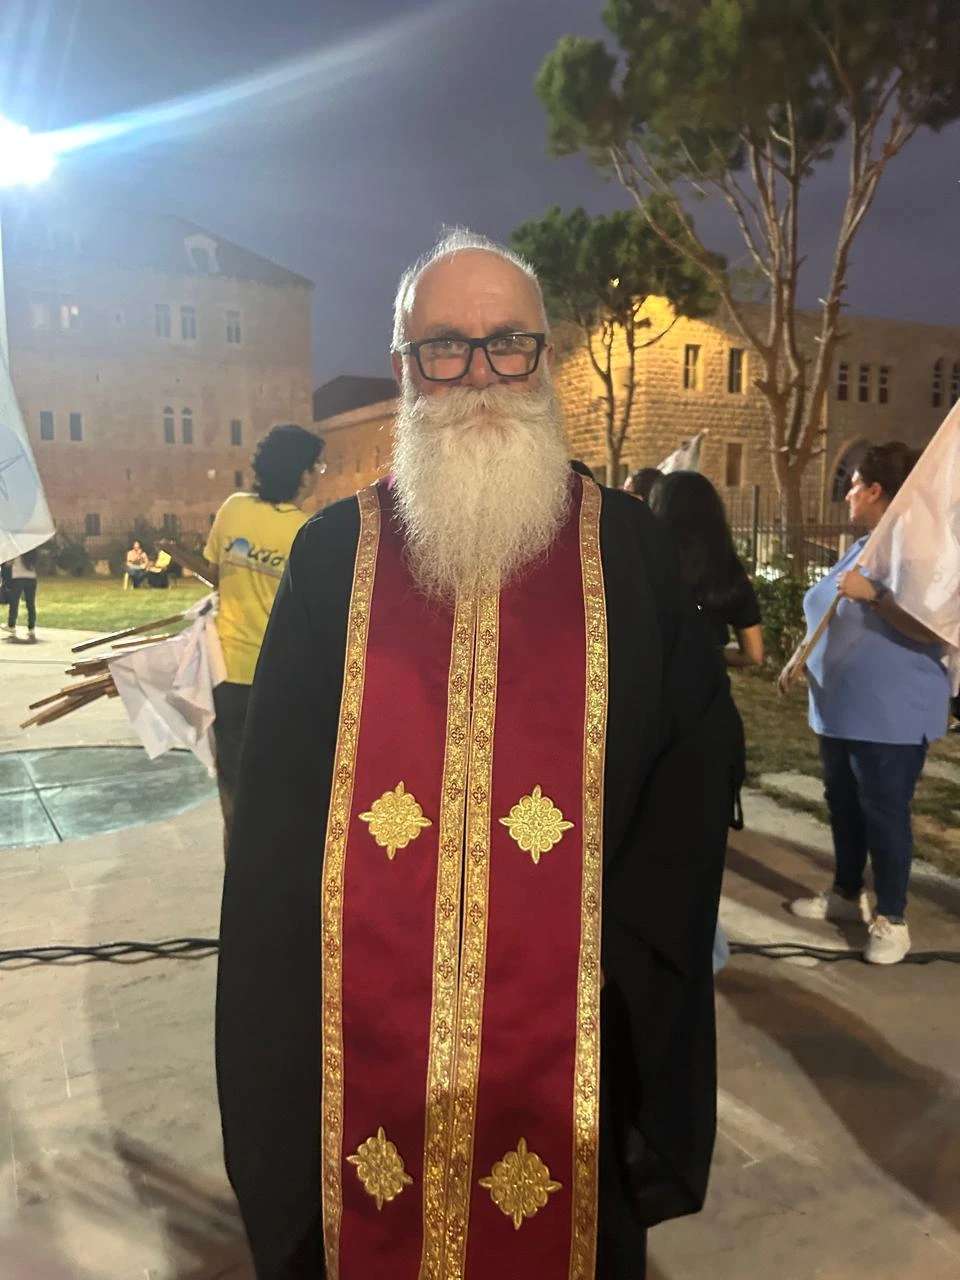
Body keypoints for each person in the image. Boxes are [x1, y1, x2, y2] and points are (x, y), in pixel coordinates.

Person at [215, 230, 743, 1280]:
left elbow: (694, 773)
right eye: (445, 347)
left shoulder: (628, 552)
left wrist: (623, 970)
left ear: (544, 360)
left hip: (571, 1044)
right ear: (406, 369)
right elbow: (277, 824)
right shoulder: (334, 559)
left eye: (508, 344)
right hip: (363, 1047)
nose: (480, 374)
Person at [781, 442, 949, 965]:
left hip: (889, 713)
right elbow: (831, 607)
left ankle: (893, 919)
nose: (847, 493)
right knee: (845, 807)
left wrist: (875, 595)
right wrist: (800, 656)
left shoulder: (917, 549)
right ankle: (845, 892)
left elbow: (932, 628)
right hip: (839, 709)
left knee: (883, 812)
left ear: (876, 491)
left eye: (853, 484)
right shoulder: (865, 546)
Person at [204, 423, 325, 850]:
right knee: (279, 784)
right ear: (304, 473)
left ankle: (235, 873)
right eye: (319, 466)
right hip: (280, 680)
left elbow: (215, 575)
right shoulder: (309, 531)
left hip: (228, 673)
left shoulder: (233, 510)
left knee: (234, 785)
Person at [648, 470, 764, 668]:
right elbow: (753, 655)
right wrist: (708, 654)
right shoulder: (728, 571)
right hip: (708, 691)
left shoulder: (644, 565)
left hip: (650, 687)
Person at [2, 548, 39, 642]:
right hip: (31, 578)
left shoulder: (15, 550)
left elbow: (8, 564)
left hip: (18, 578)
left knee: (14, 603)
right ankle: (31, 629)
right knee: (30, 604)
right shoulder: (32, 549)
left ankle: (11, 626)